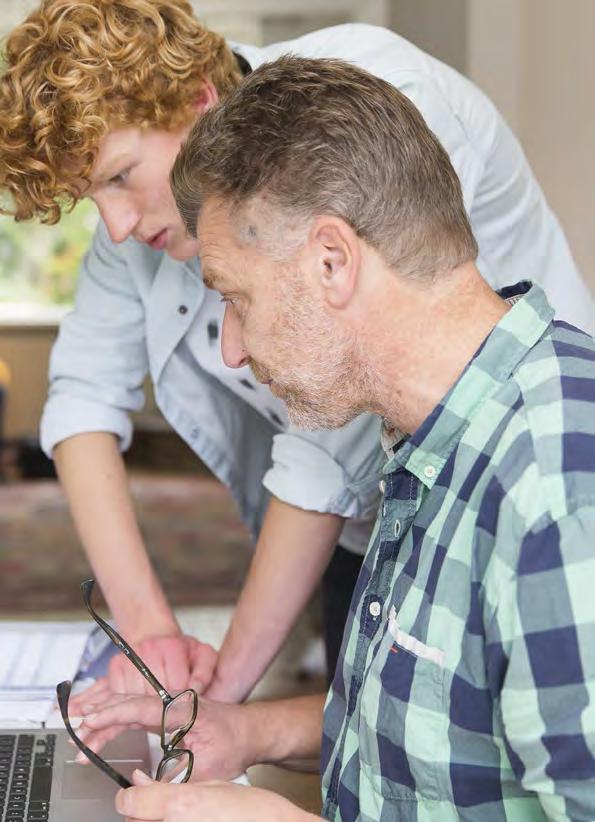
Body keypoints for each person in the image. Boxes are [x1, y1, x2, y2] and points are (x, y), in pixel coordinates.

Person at [1, 0, 594, 705]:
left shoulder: (362, 107)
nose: (118, 226)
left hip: (514, 481)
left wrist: (215, 701)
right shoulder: (144, 226)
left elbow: (326, 449)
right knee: (372, 751)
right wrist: (151, 633)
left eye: (121, 175)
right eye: (89, 196)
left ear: (196, 99)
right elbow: (81, 400)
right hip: (372, 517)